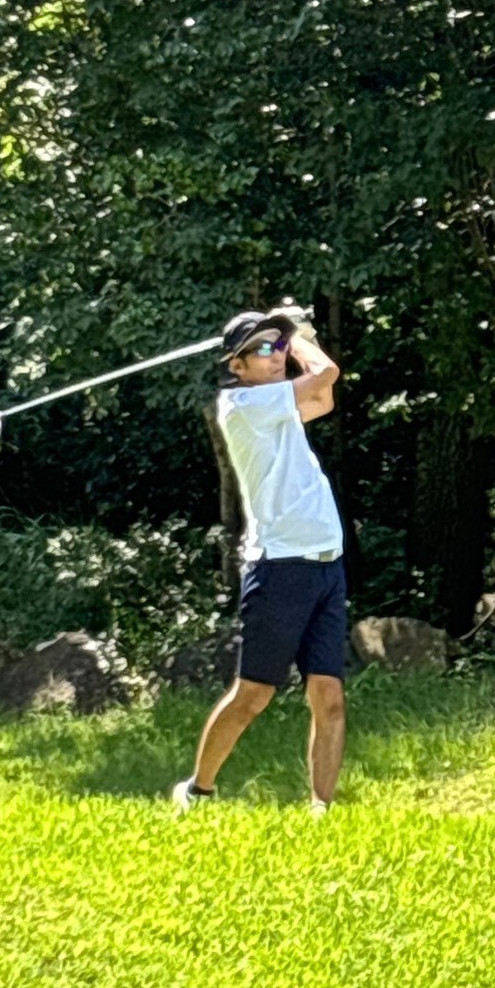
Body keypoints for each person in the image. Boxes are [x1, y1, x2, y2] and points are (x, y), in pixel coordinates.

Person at [172, 306, 346, 818]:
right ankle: (198, 791)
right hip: (280, 568)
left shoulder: (277, 405)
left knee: (329, 696)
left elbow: (324, 398)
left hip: (326, 564)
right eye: (264, 349)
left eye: (278, 347)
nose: (275, 356)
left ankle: (322, 810)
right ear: (238, 365)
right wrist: (295, 333)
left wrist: (293, 335)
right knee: (253, 694)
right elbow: (326, 373)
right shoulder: (242, 404)